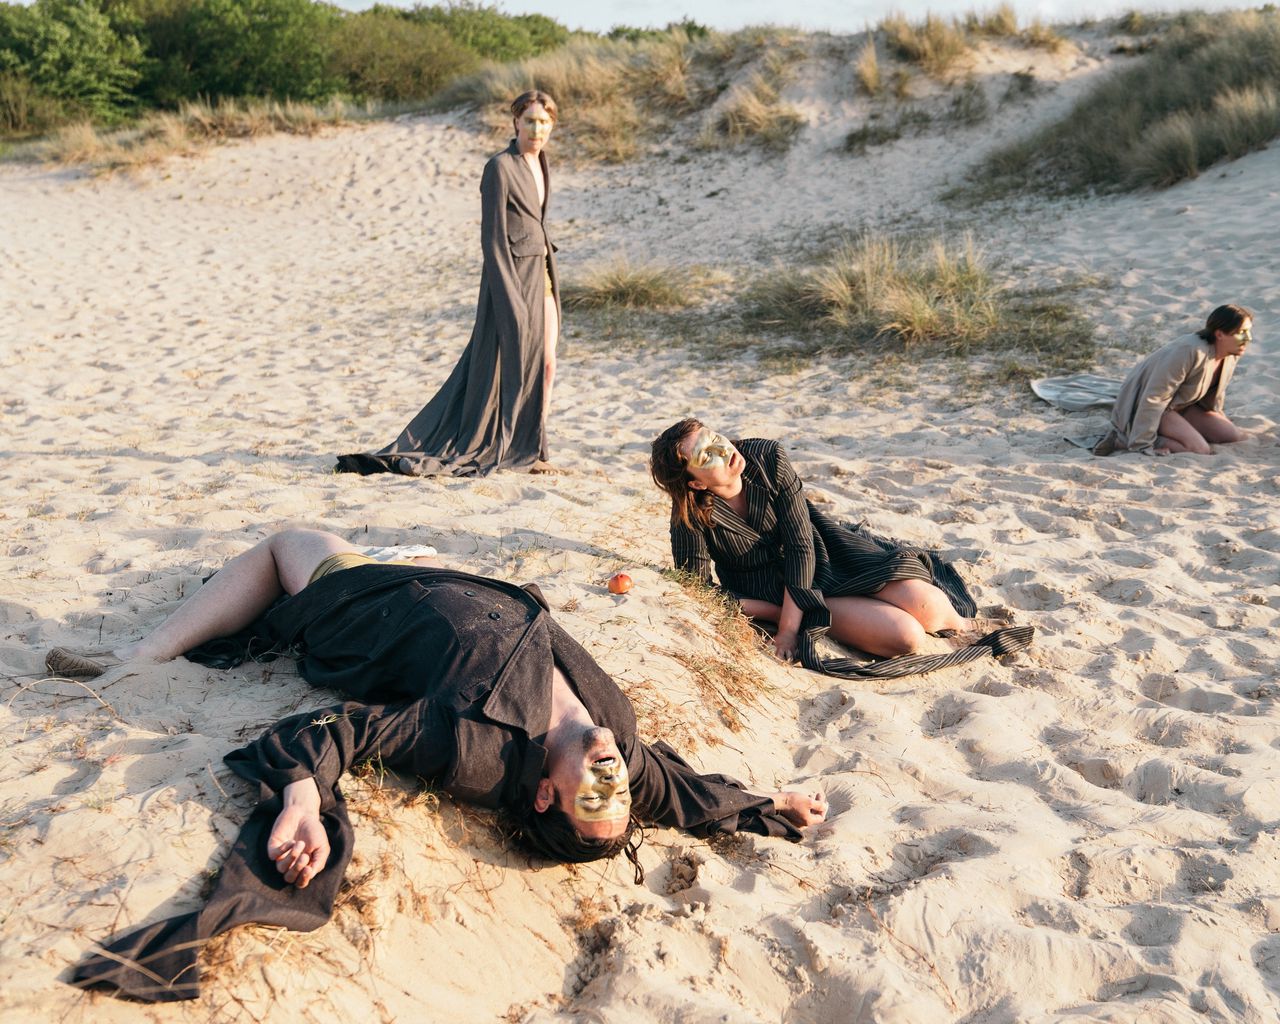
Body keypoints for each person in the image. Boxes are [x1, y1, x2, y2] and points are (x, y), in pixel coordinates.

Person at [55, 528, 827, 1002]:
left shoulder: (476, 749)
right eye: (619, 783)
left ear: (549, 797)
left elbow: (340, 731)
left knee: (290, 541)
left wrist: (298, 803)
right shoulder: (614, 744)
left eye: (598, 788)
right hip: (464, 583)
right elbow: (684, 793)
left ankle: (140, 651)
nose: (613, 771)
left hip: (368, 603)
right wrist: (771, 805)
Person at [649, 420, 1033, 679]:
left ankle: (965, 630)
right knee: (907, 638)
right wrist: (785, 620)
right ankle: (827, 615)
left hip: (827, 556)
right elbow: (699, 589)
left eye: (716, 438)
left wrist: (786, 631)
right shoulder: (690, 516)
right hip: (772, 590)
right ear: (695, 483)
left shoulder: (768, 457)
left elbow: (801, 544)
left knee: (935, 611)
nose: (723, 449)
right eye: (706, 456)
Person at [334, 90, 563, 477]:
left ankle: (534, 445)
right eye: (530, 121)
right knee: (511, 366)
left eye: (544, 122)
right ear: (516, 123)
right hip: (511, 280)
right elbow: (491, 239)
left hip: (542, 272)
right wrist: (508, 296)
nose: (536, 129)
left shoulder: (541, 162)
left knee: (547, 364)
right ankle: (517, 446)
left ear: (551, 126)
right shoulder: (499, 167)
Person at [1094, 304, 1252, 456]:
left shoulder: (1230, 353)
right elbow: (1154, 397)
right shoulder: (1189, 351)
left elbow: (1213, 395)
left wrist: (1217, 417)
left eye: (1249, 331)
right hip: (1154, 408)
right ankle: (1121, 441)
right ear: (1219, 334)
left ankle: (1181, 429)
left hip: (1183, 406)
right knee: (1199, 449)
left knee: (1231, 435)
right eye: (1242, 332)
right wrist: (1142, 443)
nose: (1248, 338)